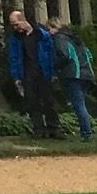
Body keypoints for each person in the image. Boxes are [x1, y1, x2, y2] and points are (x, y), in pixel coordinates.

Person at [7, 9, 61, 137]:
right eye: (13, 25)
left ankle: (54, 128)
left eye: (17, 24)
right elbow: (13, 57)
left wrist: (53, 72)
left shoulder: (40, 34)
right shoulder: (15, 38)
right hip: (27, 74)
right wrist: (16, 76)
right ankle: (38, 129)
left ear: (23, 21)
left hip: (43, 72)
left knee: (48, 101)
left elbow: (50, 51)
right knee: (32, 102)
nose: (15, 28)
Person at [52, 21, 97, 143]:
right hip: (87, 74)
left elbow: (65, 56)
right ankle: (87, 130)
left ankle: (86, 133)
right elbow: (89, 56)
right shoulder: (75, 38)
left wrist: (55, 66)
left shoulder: (59, 38)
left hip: (73, 75)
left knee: (78, 105)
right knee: (81, 103)